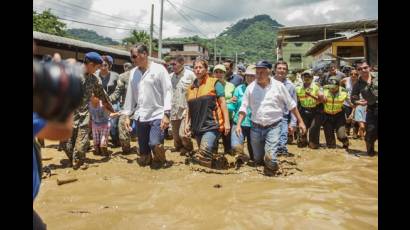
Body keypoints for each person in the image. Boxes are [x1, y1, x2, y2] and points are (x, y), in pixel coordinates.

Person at [235, 60, 306, 174]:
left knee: (270, 158)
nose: (258, 75)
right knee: (257, 159)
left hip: (273, 126)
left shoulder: (279, 86)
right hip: (255, 128)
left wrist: (300, 122)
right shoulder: (250, 88)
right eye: (257, 72)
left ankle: (275, 170)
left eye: (262, 72)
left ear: (269, 72)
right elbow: (243, 107)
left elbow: (291, 105)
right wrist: (239, 124)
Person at [123, 44, 172, 167]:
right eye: (131, 57)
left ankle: (161, 160)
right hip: (141, 116)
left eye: (134, 56)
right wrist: (127, 115)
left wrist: (166, 114)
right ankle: (147, 157)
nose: (132, 60)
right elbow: (130, 95)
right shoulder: (133, 73)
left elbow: (168, 91)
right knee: (144, 154)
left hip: (157, 114)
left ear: (144, 54)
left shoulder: (159, 69)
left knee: (155, 143)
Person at [64, 52, 114, 169]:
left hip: (84, 114)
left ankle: (78, 162)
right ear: (91, 64)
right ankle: (73, 158)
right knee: (67, 144)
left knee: (82, 142)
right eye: (97, 67)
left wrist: (110, 109)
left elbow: (102, 95)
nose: (98, 69)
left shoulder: (93, 79)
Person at [185, 58, 231, 169]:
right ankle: (215, 168)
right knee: (207, 152)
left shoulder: (214, 83)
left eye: (200, 67)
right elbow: (189, 108)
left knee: (204, 151)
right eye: (195, 67)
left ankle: (205, 177)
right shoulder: (191, 88)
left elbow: (223, 104)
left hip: (212, 125)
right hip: (197, 127)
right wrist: (187, 123)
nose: (198, 70)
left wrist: (227, 123)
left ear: (206, 69)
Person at [351, 59, 378, 156]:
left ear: (369, 68)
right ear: (357, 71)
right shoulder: (358, 84)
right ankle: (370, 155)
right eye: (360, 69)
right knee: (370, 135)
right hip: (372, 110)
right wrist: (357, 101)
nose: (363, 70)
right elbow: (353, 97)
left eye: (365, 67)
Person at [169, 55, 195, 155]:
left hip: (185, 109)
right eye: (171, 64)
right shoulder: (170, 77)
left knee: (183, 134)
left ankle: (189, 148)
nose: (173, 66)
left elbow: (196, 89)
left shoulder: (190, 75)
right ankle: (179, 148)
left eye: (174, 64)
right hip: (174, 110)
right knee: (175, 135)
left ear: (182, 63)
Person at [231, 64, 256, 165]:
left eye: (252, 76)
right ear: (245, 76)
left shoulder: (260, 90)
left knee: (255, 156)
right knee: (235, 146)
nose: (250, 78)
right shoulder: (238, 89)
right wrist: (230, 101)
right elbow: (233, 105)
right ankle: (242, 158)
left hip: (254, 124)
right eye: (248, 75)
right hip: (239, 122)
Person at [273, 60, 297, 155]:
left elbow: (294, 105)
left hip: (283, 117)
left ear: (286, 71)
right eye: (279, 68)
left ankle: (282, 164)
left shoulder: (290, 86)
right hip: (269, 117)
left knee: (282, 141)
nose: (281, 70)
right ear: (274, 70)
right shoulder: (267, 82)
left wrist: (293, 123)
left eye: (284, 69)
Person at [319, 76, 349, 149]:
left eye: (334, 87)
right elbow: (317, 88)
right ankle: (332, 148)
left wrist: (352, 113)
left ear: (338, 86)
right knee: (330, 143)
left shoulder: (344, 91)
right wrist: (320, 95)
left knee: (341, 136)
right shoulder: (324, 89)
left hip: (339, 115)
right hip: (327, 115)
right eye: (330, 87)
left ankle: (346, 142)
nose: (332, 89)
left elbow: (351, 103)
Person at [110, 62, 134, 153]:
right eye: (126, 67)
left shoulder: (143, 74)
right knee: (122, 127)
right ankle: (126, 149)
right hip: (127, 108)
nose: (127, 68)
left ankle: (145, 150)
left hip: (142, 107)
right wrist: (106, 100)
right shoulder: (123, 77)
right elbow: (117, 93)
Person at [295, 69, 321, 149]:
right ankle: (303, 140)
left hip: (315, 111)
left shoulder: (317, 87)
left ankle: (313, 142)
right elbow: (295, 101)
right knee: (302, 129)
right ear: (302, 78)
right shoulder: (297, 88)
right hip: (303, 110)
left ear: (312, 78)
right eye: (304, 76)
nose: (306, 78)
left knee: (314, 129)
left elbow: (322, 100)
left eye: (308, 76)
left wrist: (312, 96)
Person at [98, 55, 120, 147]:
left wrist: (110, 98)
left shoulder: (115, 76)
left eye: (105, 65)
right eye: (101, 65)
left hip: (113, 103)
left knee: (112, 125)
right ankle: (101, 142)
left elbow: (118, 90)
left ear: (110, 66)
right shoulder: (95, 75)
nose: (103, 67)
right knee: (99, 123)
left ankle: (115, 140)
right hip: (99, 103)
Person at [213, 64, 236, 154]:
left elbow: (234, 100)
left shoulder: (231, 86)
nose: (219, 74)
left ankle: (228, 154)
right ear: (213, 73)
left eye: (221, 72)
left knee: (227, 138)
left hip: (228, 116)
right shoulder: (211, 85)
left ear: (225, 73)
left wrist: (231, 101)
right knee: (215, 139)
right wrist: (228, 101)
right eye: (216, 72)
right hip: (216, 117)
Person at [341, 69, 359, 137]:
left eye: (355, 74)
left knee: (356, 118)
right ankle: (347, 131)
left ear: (358, 75)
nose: (353, 75)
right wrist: (342, 92)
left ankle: (355, 133)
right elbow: (339, 85)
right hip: (347, 102)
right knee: (348, 117)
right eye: (351, 74)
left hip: (357, 102)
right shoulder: (345, 80)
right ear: (349, 74)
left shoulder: (360, 81)